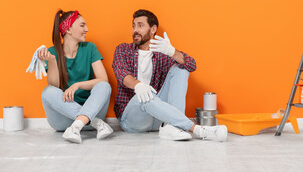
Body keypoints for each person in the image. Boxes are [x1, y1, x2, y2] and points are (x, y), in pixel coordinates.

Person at [112, 9, 227, 141]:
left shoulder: (161, 54)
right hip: (132, 120)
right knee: (143, 95)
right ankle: (198, 130)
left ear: (153, 28)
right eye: (133, 26)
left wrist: (172, 52)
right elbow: (121, 73)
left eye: (140, 25)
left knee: (181, 69)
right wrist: (138, 85)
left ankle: (172, 127)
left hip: (158, 118)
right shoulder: (123, 50)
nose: (135, 30)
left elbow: (191, 65)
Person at [39, 9, 113, 144]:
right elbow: (54, 86)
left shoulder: (90, 48)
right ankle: (92, 122)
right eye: (82, 25)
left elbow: (103, 80)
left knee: (104, 86)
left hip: (93, 111)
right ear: (68, 29)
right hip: (64, 120)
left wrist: (78, 85)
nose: (87, 29)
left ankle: (77, 126)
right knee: (47, 92)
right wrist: (52, 61)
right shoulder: (52, 52)